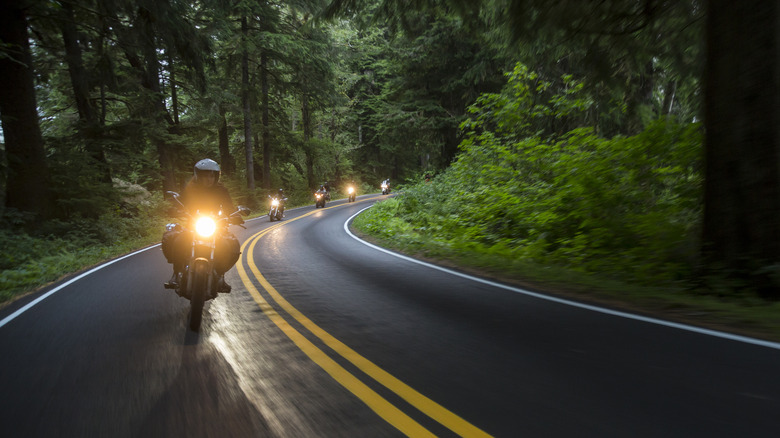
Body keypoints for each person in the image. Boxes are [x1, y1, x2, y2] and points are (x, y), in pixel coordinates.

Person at [162, 158, 242, 293]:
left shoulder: (221, 190)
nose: (209, 179)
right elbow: (181, 202)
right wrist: (175, 209)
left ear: (216, 176)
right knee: (178, 241)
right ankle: (176, 273)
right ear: (198, 176)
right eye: (205, 176)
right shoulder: (191, 188)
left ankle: (220, 276)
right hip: (193, 224)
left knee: (231, 245)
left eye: (212, 175)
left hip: (216, 224)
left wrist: (236, 215)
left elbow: (229, 207)